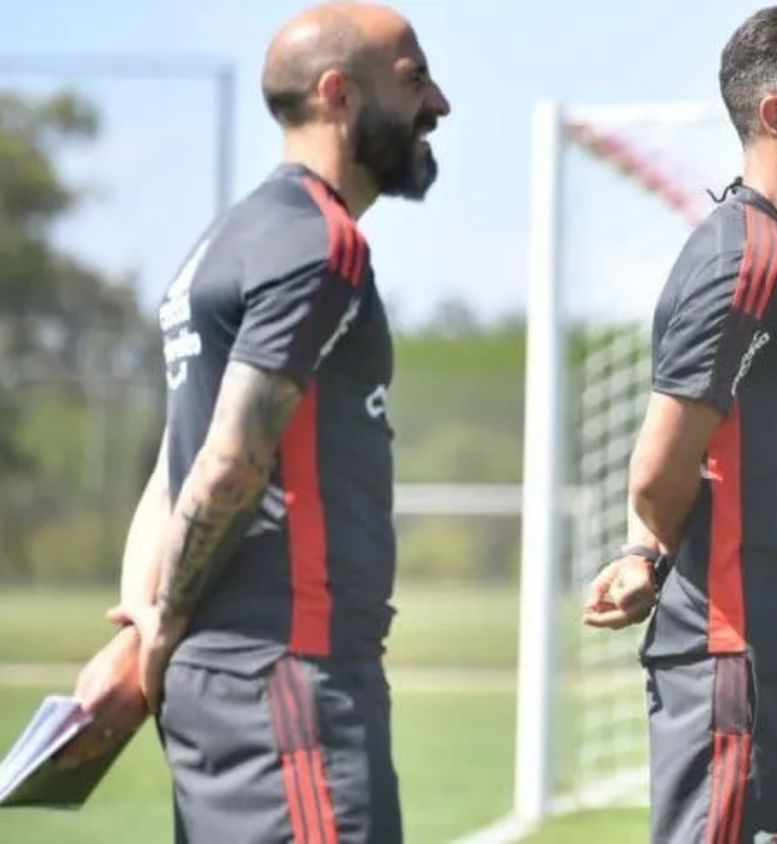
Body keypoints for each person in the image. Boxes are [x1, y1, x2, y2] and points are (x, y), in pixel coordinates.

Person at [59, 3, 451, 841]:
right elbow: (227, 461)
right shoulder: (322, 243)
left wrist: (142, 627)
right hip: (289, 686)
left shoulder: (225, 242)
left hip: (232, 689)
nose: (439, 105)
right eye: (416, 81)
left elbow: (178, 460)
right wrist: (161, 623)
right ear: (338, 94)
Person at [582, 5, 777, 842]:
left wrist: (646, 553)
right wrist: (655, 548)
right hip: (735, 658)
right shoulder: (745, 258)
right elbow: (657, 468)